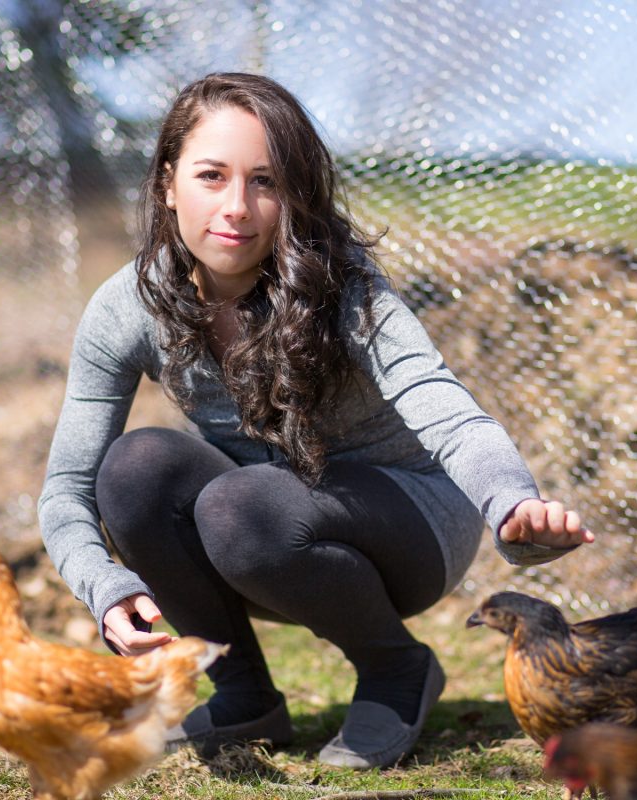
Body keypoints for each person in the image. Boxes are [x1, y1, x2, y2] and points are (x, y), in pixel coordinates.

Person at [38, 72, 593, 769]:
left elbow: (445, 408)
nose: (237, 207)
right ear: (167, 184)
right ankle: (243, 696)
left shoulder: (345, 286)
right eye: (212, 175)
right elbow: (68, 489)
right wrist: (105, 587)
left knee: (241, 504)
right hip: (261, 527)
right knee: (136, 468)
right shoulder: (127, 307)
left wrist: (512, 502)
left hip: (410, 521)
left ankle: (395, 670)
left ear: (295, 194)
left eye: (265, 182)